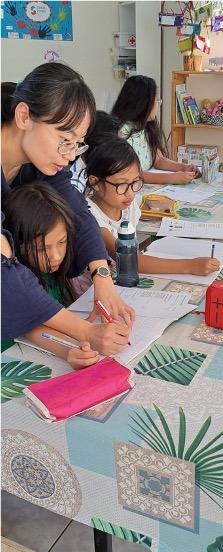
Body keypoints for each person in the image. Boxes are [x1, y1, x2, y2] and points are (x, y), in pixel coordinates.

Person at [1, 63, 134, 349]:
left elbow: (79, 212)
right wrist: (85, 334)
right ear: (24, 116)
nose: (69, 156)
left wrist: (102, 275)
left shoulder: (38, 163)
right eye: (64, 141)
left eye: (78, 145)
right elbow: (3, 272)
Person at [2, 183, 130, 366]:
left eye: (62, 242)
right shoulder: (17, 282)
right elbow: (31, 325)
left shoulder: (54, 272)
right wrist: (68, 349)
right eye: (41, 248)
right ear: (16, 244)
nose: (55, 256)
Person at [84, 136, 220, 277]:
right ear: (95, 183)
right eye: (122, 185)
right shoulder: (89, 216)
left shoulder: (126, 205)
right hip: (93, 290)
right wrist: (190, 266)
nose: (131, 193)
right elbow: (128, 260)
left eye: (136, 182)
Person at [111, 75, 200, 185]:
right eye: (157, 100)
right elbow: (133, 174)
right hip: (132, 189)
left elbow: (158, 160)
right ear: (143, 104)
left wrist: (183, 167)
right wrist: (172, 178)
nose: (158, 105)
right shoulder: (121, 132)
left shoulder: (147, 126)